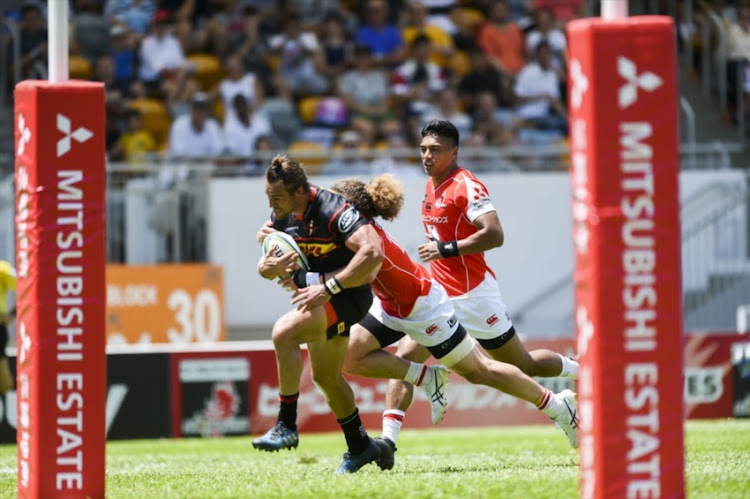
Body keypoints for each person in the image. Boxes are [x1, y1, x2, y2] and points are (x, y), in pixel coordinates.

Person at [319, 175, 578, 471]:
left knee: (482, 371)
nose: (329, 210)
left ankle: (560, 407)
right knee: (351, 358)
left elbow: (360, 275)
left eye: (334, 203)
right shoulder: (353, 232)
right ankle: (417, 395)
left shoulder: (367, 238)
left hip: (425, 307)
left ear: (350, 209)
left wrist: (311, 279)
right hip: (393, 306)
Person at [376, 119, 580, 461]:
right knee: (405, 359)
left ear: (454, 152)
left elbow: (495, 234)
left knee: (523, 364)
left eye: (435, 150)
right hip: (439, 295)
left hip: (473, 295)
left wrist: (447, 249)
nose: (427, 155)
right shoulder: (431, 185)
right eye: (424, 149)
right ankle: (387, 443)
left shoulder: (466, 185)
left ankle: (583, 374)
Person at [252, 155, 385, 474]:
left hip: (349, 296)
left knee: (284, 332)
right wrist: (264, 267)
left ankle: (286, 426)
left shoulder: (333, 210)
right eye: (268, 197)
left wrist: (328, 286)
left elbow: (373, 252)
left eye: (276, 197)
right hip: (323, 298)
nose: (272, 204)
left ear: (300, 191)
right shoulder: (284, 213)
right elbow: (266, 248)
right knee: (325, 377)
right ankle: (362, 446)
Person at [0, 260, 16, 393]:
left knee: (1, 371)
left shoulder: (2, 269)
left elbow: (25, 287)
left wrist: (11, 314)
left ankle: (4, 412)